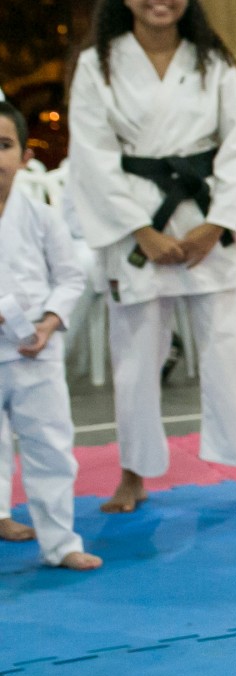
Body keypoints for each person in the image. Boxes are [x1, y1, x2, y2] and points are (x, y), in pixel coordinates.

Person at [66, 0, 236, 512]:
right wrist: (141, 231)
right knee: (135, 356)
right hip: (135, 224)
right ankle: (133, 475)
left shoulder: (212, 63)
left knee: (235, 346)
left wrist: (217, 224)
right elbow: (92, 155)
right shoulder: (97, 65)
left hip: (206, 216)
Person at [0, 103, 99, 570]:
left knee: (50, 447)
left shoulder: (42, 217)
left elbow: (71, 277)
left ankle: (61, 544)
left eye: (4, 145)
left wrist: (50, 320)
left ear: (24, 157)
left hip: (33, 349)